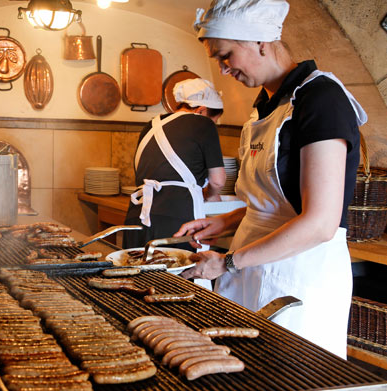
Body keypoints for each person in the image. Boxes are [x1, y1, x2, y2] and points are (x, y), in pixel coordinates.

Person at [175, 0, 367, 358]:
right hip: (254, 267)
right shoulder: (268, 104)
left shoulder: (320, 99)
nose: (223, 69)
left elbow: (320, 223)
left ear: (260, 42)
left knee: (288, 384)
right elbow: (275, 204)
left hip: (297, 276)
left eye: (225, 55)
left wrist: (229, 261)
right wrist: (225, 222)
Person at [123, 77, 227, 254]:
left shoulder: (151, 125)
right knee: (176, 280)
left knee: (136, 277)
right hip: (178, 219)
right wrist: (210, 195)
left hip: (137, 215)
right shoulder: (203, 123)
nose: (213, 125)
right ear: (201, 110)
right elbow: (218, 181)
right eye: (214, 120)